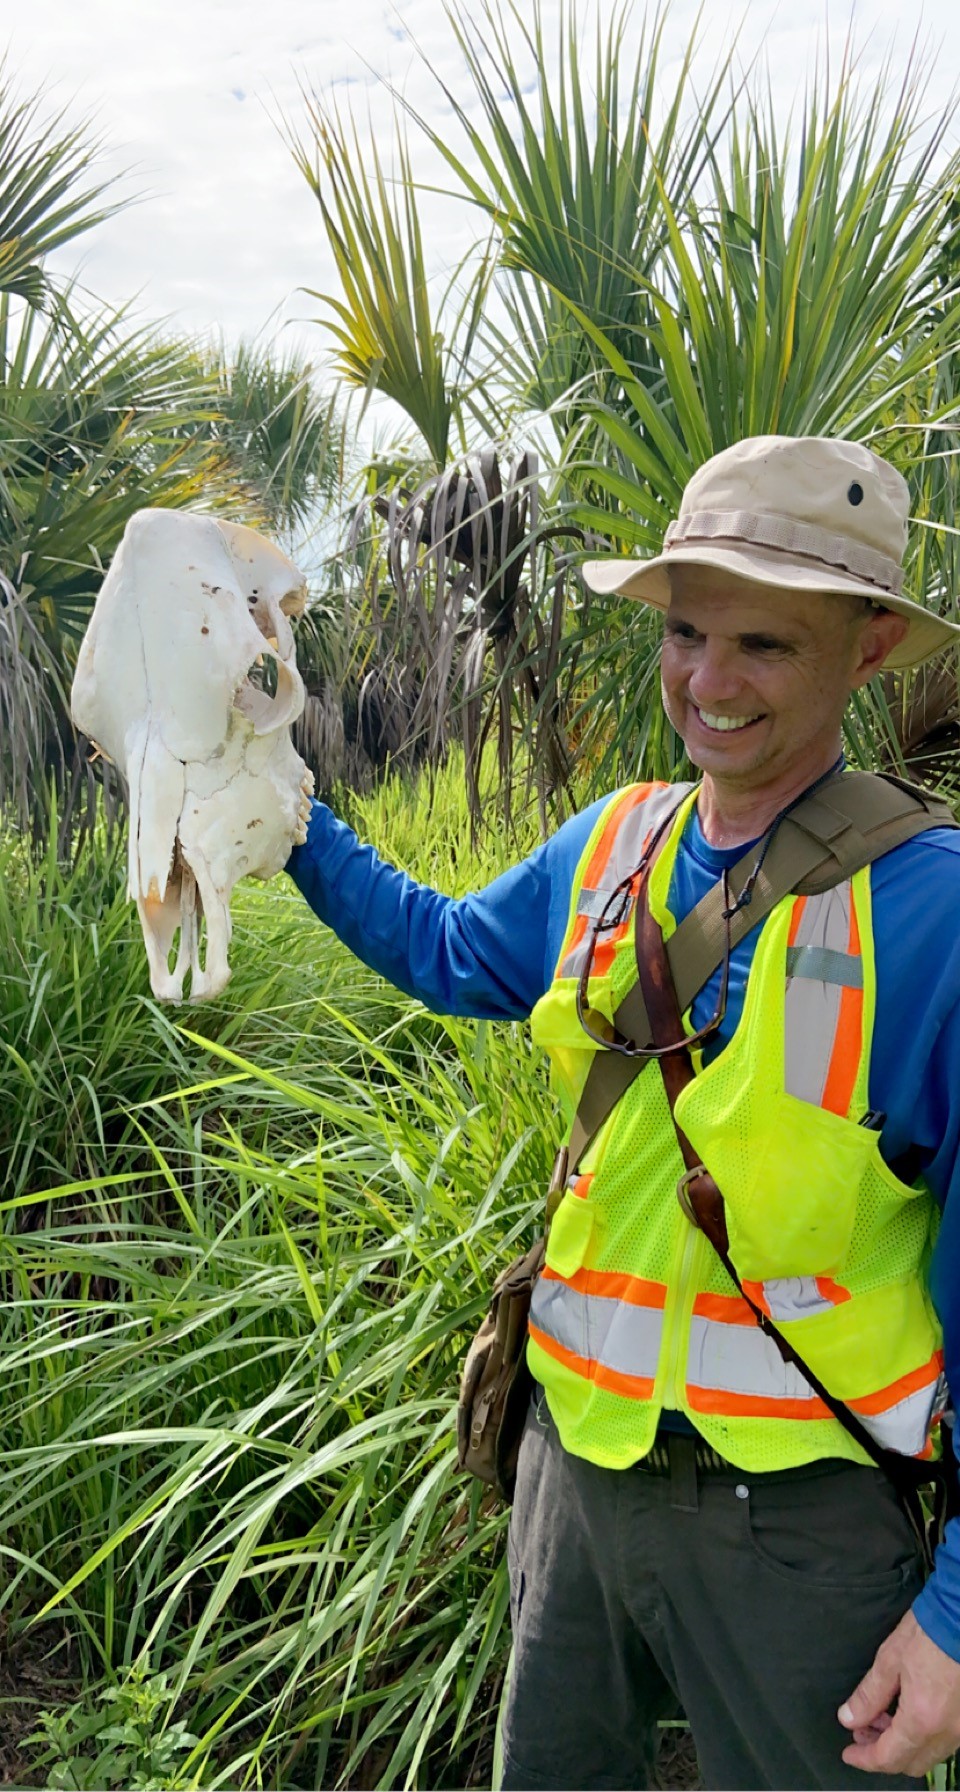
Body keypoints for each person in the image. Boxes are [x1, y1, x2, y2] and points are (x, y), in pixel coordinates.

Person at [288, 435, 960, 1790]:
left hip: (802, 1521)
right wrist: (287, 814)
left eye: (764, 643)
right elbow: (445, 951)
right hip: (575, 1476)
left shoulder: (933, 912)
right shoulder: (615, 842)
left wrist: (951, 1619)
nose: (708, 683)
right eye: (686, 630)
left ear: (870, 645)